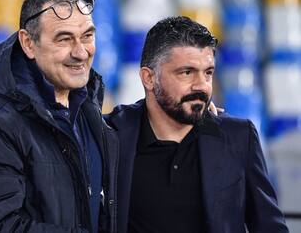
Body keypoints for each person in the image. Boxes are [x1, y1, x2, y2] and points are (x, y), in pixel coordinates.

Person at [0, 0, 119, 233]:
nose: (81, 52)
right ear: (28, 43)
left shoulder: (88, 110)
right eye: (64, 39)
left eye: (87, 36)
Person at [105, 16, 289, 233]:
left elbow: (270, 227)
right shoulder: (113, 133)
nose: (201, 86)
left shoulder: (238, 136)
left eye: (208, 73)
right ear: (149, 78)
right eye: (187, 72)